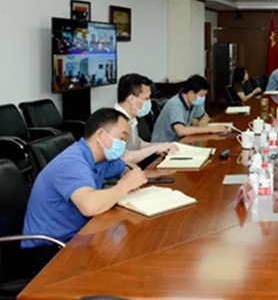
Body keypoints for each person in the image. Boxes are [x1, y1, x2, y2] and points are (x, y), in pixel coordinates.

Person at [21, 108, 178, 272]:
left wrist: (128, 173)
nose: (123, 144)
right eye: (121, 138)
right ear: (101, 134)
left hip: (80, 234)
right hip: (50, 247)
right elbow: (89, 206)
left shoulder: (100, 157)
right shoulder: (72, 163)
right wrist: (125, 185)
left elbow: (124, 167)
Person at [152, 75, 226, 142]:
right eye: (201, 95)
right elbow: (181, 131)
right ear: (191, 93)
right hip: (162, 146)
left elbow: (205, 117)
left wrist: (200, 124)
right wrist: (209, 129)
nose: (203, 98)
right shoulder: (175, 104)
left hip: (179, 142)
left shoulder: (193, 102)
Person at [114, 73, 173, 151]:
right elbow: (125, 156)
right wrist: (154, 149)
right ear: (132, 99)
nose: (149, 102)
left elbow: (137, 144)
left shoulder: (132, 118)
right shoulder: (115, 123)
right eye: (146, 98)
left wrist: (161, 146)